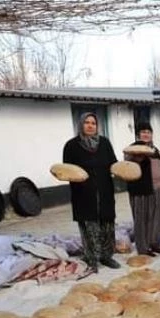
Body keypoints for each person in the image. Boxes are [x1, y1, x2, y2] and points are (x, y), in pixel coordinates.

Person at [62, 112, 121, 271]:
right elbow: (67, 171)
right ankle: (91, 258)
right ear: (81, 125)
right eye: (86, 122)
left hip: (104, 191)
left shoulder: (105, 143)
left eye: (93, 123)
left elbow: (113, 164)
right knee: (89, 227)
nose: (90, 125)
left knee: (107, 226)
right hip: (84, 194)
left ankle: (107, 256)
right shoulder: (72, 146)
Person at [125, 122, 160, 257]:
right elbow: (128, 167)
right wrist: (139, 157)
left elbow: (159, 167)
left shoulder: (154, 149)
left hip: (158, 188)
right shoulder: (132, 149)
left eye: (148, 132)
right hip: (141, 190)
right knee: (142, 219)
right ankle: (143, 248)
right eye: (143, 131)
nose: (146, 134)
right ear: (138, 134)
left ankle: (155, 244)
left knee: (157, 218)